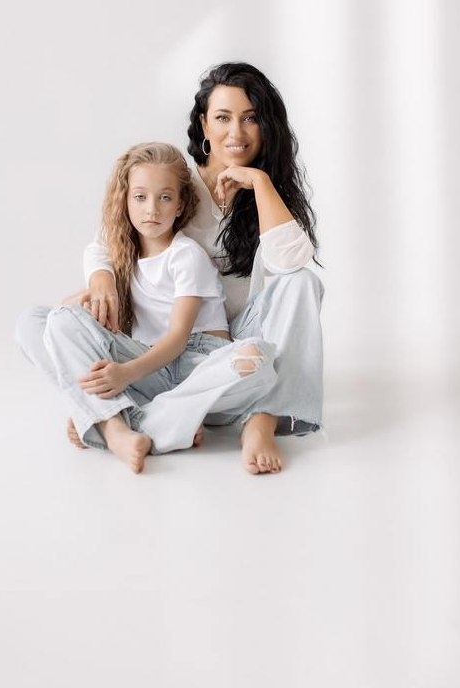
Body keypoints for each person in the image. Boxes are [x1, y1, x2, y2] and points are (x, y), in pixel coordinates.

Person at [82, 63, 324, 474]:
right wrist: (101, 277)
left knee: (302, 282)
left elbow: (291, 263)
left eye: (250, 118)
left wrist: (259, 183)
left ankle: (261, 420)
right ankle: (120, 414)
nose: (237, 132)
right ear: (204, 125)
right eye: (223, 118)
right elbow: (106, 242)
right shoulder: (178, 186)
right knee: (57, 319)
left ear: (266, 126)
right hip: (178, 345)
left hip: (245, 338)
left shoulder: (267, 189)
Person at [16, 142, 280, 473]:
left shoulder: (186, 256)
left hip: (195, 362)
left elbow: (178, 339)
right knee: (37, 321)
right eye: (140, 197)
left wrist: (126, 373)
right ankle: (116, 428)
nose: (151, 209)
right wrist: (87, 302)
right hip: (150, 364)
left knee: (257, 357)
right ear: (125, 200)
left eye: (164, 198)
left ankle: (106, 417)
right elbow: (62, 324)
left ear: (180, 204)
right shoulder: (124, 256)